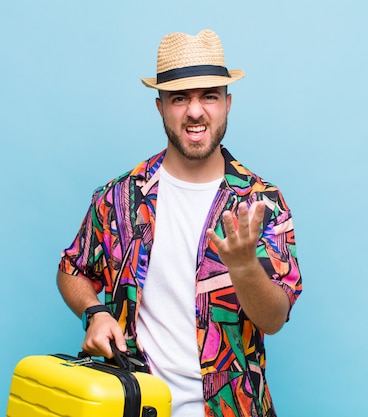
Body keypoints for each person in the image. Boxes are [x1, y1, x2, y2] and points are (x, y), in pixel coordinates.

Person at [57, 29, 302, 417]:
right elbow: (71, 269)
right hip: (135, 406)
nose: (194, 111)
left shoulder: (261, 202)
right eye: (179, 98)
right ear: (160, 108)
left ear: (227, 104)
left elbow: (273, 318)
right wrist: (95, 311)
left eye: (209, 95)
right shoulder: (120, 197)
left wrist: (243, 268)